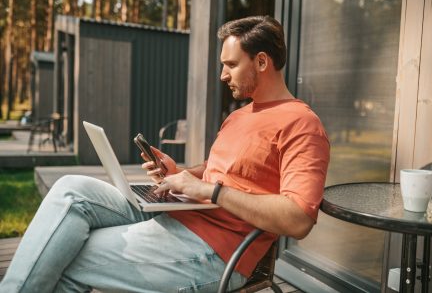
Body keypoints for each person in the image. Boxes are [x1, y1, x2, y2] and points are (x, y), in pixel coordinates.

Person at [0, 16, 329, 293]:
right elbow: (223, 171)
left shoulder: (301, 124)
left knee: (65, 253)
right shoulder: (239, 116)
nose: (222, 75)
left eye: (230, 64)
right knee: (72, 190)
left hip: (216, 249)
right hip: (177, 215)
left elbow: (298, 219)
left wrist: (210, 191)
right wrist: (180, 173)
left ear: (261, 61)